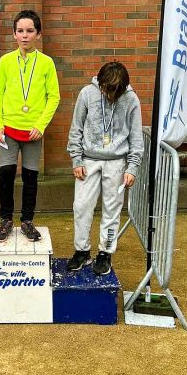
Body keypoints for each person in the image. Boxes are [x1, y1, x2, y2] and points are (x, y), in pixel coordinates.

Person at [66, 61, 143, 275]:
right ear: (100, 83)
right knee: (81, 206)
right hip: (88, 160)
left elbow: (136, 136)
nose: (109, 95)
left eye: (114, 91)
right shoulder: (87, 93)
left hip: (117, 162)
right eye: (106, 89)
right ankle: (82, 251)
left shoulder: (131, 99)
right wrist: (76, 159)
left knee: (112, 209)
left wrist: (132, 167)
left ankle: (105, 253)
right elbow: (76, 128)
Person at [0, 10, 60, 243]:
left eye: (30, 31)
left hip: (33, 132)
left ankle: (27, 221)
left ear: (38, 34)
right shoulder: (5, 61)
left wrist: (41, 125)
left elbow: (54, 97)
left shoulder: (47, 63)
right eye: (20, 31)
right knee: (6, 175)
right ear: (14, 34)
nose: (24, 35)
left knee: (30, 177)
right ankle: (5, 220)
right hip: (8, 130)